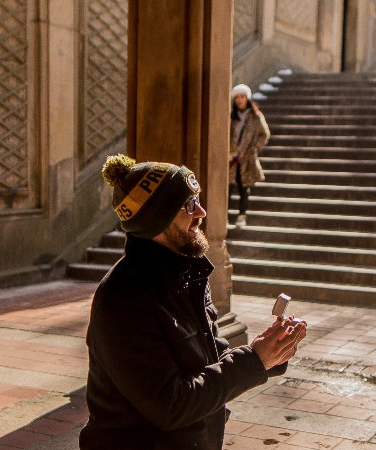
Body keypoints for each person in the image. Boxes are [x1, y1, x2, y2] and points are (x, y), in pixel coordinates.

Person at [81, 154, 308, 449]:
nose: (201, 212)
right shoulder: (125, 299)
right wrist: (254, 361)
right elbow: (172, 405)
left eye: (197, 199)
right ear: (156, 218)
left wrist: (268, 355)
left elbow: (210, 357)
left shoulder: (186, 274)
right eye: (188, 205)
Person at [228, 84, 269, 229]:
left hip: (246, 158)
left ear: (247, 98)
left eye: (242, 97)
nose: (239, 100)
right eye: (237, 97)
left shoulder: (255, 116)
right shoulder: (231, 116)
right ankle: (224, 217)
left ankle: (241, 216)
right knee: (228, 188)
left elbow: (264, 134)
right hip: (231, 157)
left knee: (244, 188)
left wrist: (254, 148)